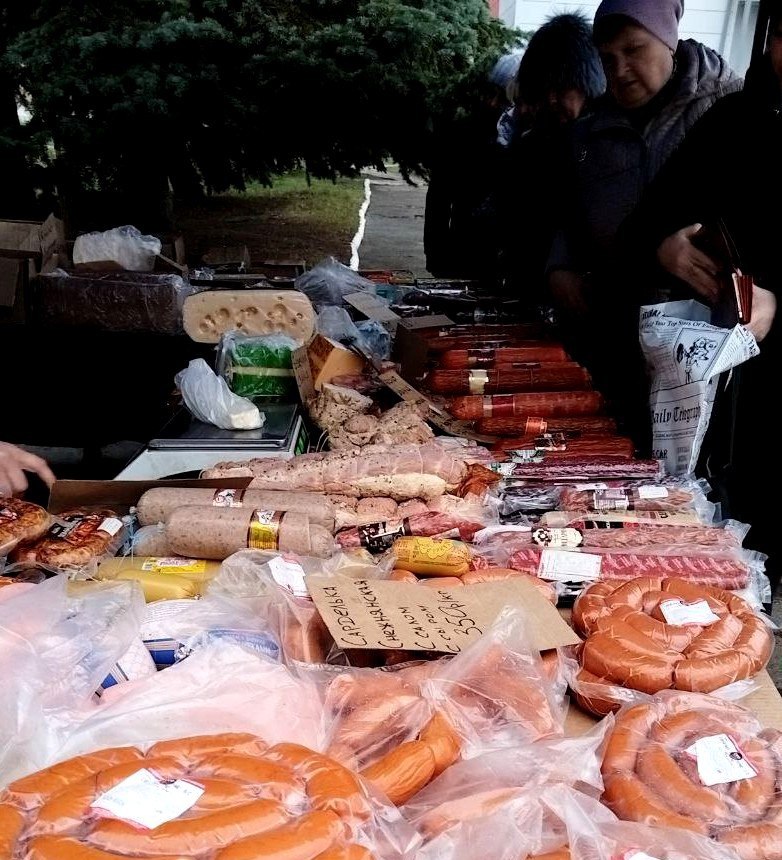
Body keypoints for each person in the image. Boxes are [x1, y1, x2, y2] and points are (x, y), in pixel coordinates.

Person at [616, 9, 782, 593]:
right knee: (715, 573)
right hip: (712, 399)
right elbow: (640, 230)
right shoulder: (734, 121)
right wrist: (664, 248)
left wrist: (781, 306)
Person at [545, 0, 742, 445]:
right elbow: (569, 212)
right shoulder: (590, 129)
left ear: (668, 39)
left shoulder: (728, 111)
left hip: (702, 342)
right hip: (612, 328)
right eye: (607, 59)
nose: (620, 71)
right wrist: (559, 265)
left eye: (634, 50)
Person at [496, 12, 606, 312]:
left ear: (586, 81)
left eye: (562, 89)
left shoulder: (613, 140)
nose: (553, 100)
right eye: (546, 91)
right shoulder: (534, 143)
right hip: (533, 296)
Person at [423, 50, 523, 280]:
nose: (492, 103)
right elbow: (438, 199)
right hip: (460, 258)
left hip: (507, 265)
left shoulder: (528, 142)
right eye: (490, 93)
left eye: (502, 97)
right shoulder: (464, 134)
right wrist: (436, 256)